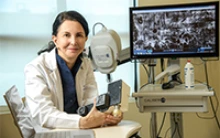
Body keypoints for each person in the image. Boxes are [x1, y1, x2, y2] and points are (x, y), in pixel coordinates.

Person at [24, 10, 122, 129]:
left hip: (79, 131)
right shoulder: (36, 68)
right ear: (55, 40)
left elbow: (90, 102)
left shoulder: (85, 64)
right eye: (66, 35)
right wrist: (83, 122)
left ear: (86, 39)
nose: (74, 42)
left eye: (79, 35)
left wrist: (106, 116)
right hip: (50, 133)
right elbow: (43, 114)